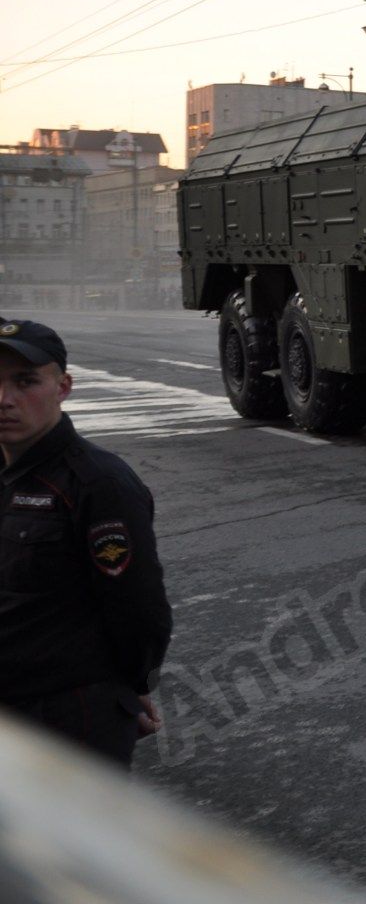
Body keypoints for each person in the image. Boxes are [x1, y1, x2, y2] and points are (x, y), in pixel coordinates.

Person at [0, 319, 172, 768]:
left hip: (66, 718)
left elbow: (139, 609)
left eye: (26, 382)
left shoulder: (97, 483)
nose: (4, 400)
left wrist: (129, 690)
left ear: (63, 387)